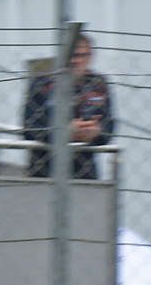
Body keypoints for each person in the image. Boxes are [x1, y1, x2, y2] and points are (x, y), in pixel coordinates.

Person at [21, 32, 114, 180]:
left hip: (84, 174)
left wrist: (95, 133)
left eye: (82, 56)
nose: (76, 61)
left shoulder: (98, 84)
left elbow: (109, 127)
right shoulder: (42, 83)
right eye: (72, 55)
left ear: (90, 57)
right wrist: (65, 132)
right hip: (45, 172)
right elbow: (29, 127)